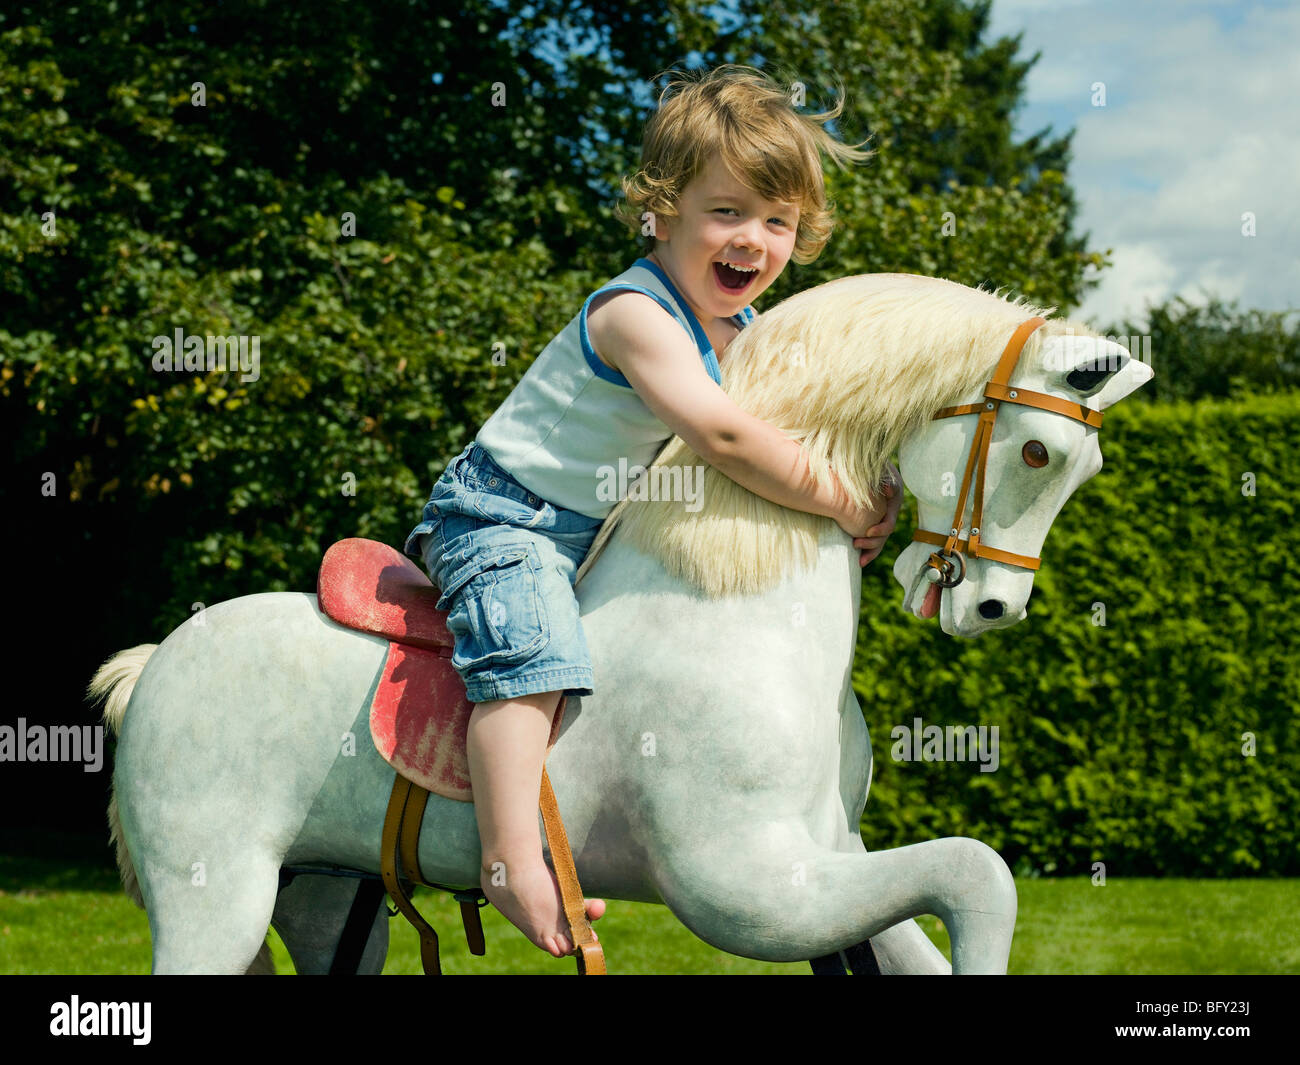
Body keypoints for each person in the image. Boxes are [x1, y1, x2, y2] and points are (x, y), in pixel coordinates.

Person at [403, 64, 902, 958]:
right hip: (502, 520)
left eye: (778, 221)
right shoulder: (636, 313)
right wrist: (838, 496)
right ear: (661, 210)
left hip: (592, 540)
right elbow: (729, 440)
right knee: (535, 659)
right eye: (728, 212)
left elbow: (790, 440)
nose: (754, 239)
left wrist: (865, 503)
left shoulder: (748, 335)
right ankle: (511, 855)